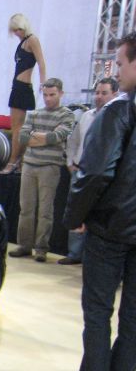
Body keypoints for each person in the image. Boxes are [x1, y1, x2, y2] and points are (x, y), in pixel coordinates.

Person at [51, 32, 136, 371]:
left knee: (98, 311)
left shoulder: (119, 111)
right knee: (133, 315)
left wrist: (75, 217)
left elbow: (96, 172)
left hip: (112, 227)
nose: (116, 71)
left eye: (120, 63)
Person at [8, 78, 74, 262]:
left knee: (45, 211)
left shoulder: (67, 115)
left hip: (50, 167)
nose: (48, 98)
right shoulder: (34, 113)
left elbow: (58, 136)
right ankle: (24, 245)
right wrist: (45, 138)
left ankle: (41, 248)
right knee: (26, 208)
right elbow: (23, 137)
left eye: (52, 94)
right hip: (29, 165)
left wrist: (35, 137)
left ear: (61, 94)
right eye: (45, 95)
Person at [59, 77, 120, 265]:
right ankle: (74, 253)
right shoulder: (86, 116)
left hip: (104, 176)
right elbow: (74, 141)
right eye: (97, 93)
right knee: (77, 210)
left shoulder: (119, 119)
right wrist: (70, 162)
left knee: (98, 216)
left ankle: (93, 257)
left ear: (115, 94)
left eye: (104, 93)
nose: (99, 96)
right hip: (80, 171)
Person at [1, 13, 47, 174]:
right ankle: (19, 162)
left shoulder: (32, 40)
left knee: (18, 129)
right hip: (18, 87)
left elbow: (41, 62)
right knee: (18, 128)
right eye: (14, 30)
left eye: (18, 29)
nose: (16, 33)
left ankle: (13, 162)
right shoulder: (23, 42)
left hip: (22, 87)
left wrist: (43, 83)